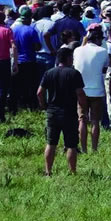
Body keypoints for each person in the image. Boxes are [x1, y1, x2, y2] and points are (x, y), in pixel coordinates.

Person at [38, 47, 87, 176]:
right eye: (72, 57)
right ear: (67, 58)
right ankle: (72, 171)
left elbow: (39, 92)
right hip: (69, 113)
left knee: (51, 143)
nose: (73, 60)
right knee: (71, 144)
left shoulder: (49, 73)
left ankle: (48, 171)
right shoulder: (74, 73)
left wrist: (44, 105)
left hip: (52, 112)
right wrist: (83, 108)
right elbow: (80, 94)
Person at [73, 24, 108, 153]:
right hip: (97, 90)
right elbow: (105, 68)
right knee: (95, 121)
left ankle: (83, 148)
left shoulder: (77, 50)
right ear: (98, 39)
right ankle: (94, 148)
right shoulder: (102, 51)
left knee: (82, 119)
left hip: (81, 89)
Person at [12, 6, 41, 109]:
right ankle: (30, 105)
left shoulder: (14, 29)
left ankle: (20, 105)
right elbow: (37, 47)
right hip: (29, 60)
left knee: (18, 85)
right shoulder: (31, 30)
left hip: (17, 61)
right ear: (29, 18)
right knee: (30, 85)